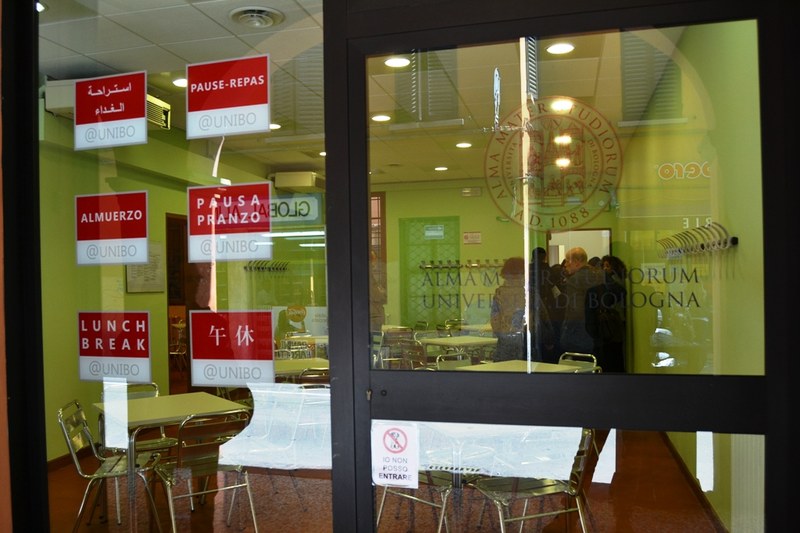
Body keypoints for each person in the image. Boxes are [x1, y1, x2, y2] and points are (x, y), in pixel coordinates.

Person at [559, 247, 605, 356]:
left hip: (579, 334)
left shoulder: (574, 280)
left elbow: (575, 311)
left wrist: (565, 333)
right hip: (601, 332)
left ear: (576, 262)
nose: (565, 264)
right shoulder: (600, 275)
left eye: (567, 261)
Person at [585, 255, 628, 372]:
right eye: (603, 266)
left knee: (611, 358)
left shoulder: (614, 282)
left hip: (612, 325)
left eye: (607, 266)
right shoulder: (604, 283)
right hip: (609, 326)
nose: (604, 269)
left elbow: (615, 297)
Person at [529, 247, 558, 361]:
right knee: (547, 335)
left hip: (531, 307)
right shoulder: (549, 270)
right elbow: (555, 291)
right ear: (545, 257)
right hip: (548, 306)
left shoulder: (528, 270)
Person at [369, 249, 387, 332]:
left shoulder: (374, 276)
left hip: (376, 315)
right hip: (373, 316)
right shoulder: (368, 277)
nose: (374, 263)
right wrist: (381, 292)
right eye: (372, 259)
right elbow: (377, 296)